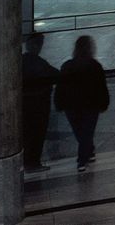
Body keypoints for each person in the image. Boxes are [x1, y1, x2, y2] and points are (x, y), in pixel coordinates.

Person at [54, 36, 109, 171]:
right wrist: (104, 103)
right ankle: (87, 154)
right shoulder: (95, 66)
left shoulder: (67, 66)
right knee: (87, 132)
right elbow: (101, 87)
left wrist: (59, 103)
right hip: (91, 105)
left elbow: (61, 87)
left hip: (71, 106)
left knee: (80, 132)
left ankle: (83, 159)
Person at [21, 32, 59, 170]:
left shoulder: (22, 61)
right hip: (39, 105)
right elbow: (56, 76)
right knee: (37, 134)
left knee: (27, 134)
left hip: (24, 104)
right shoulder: (40, 64)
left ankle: (27, 161)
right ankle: (33, 162)